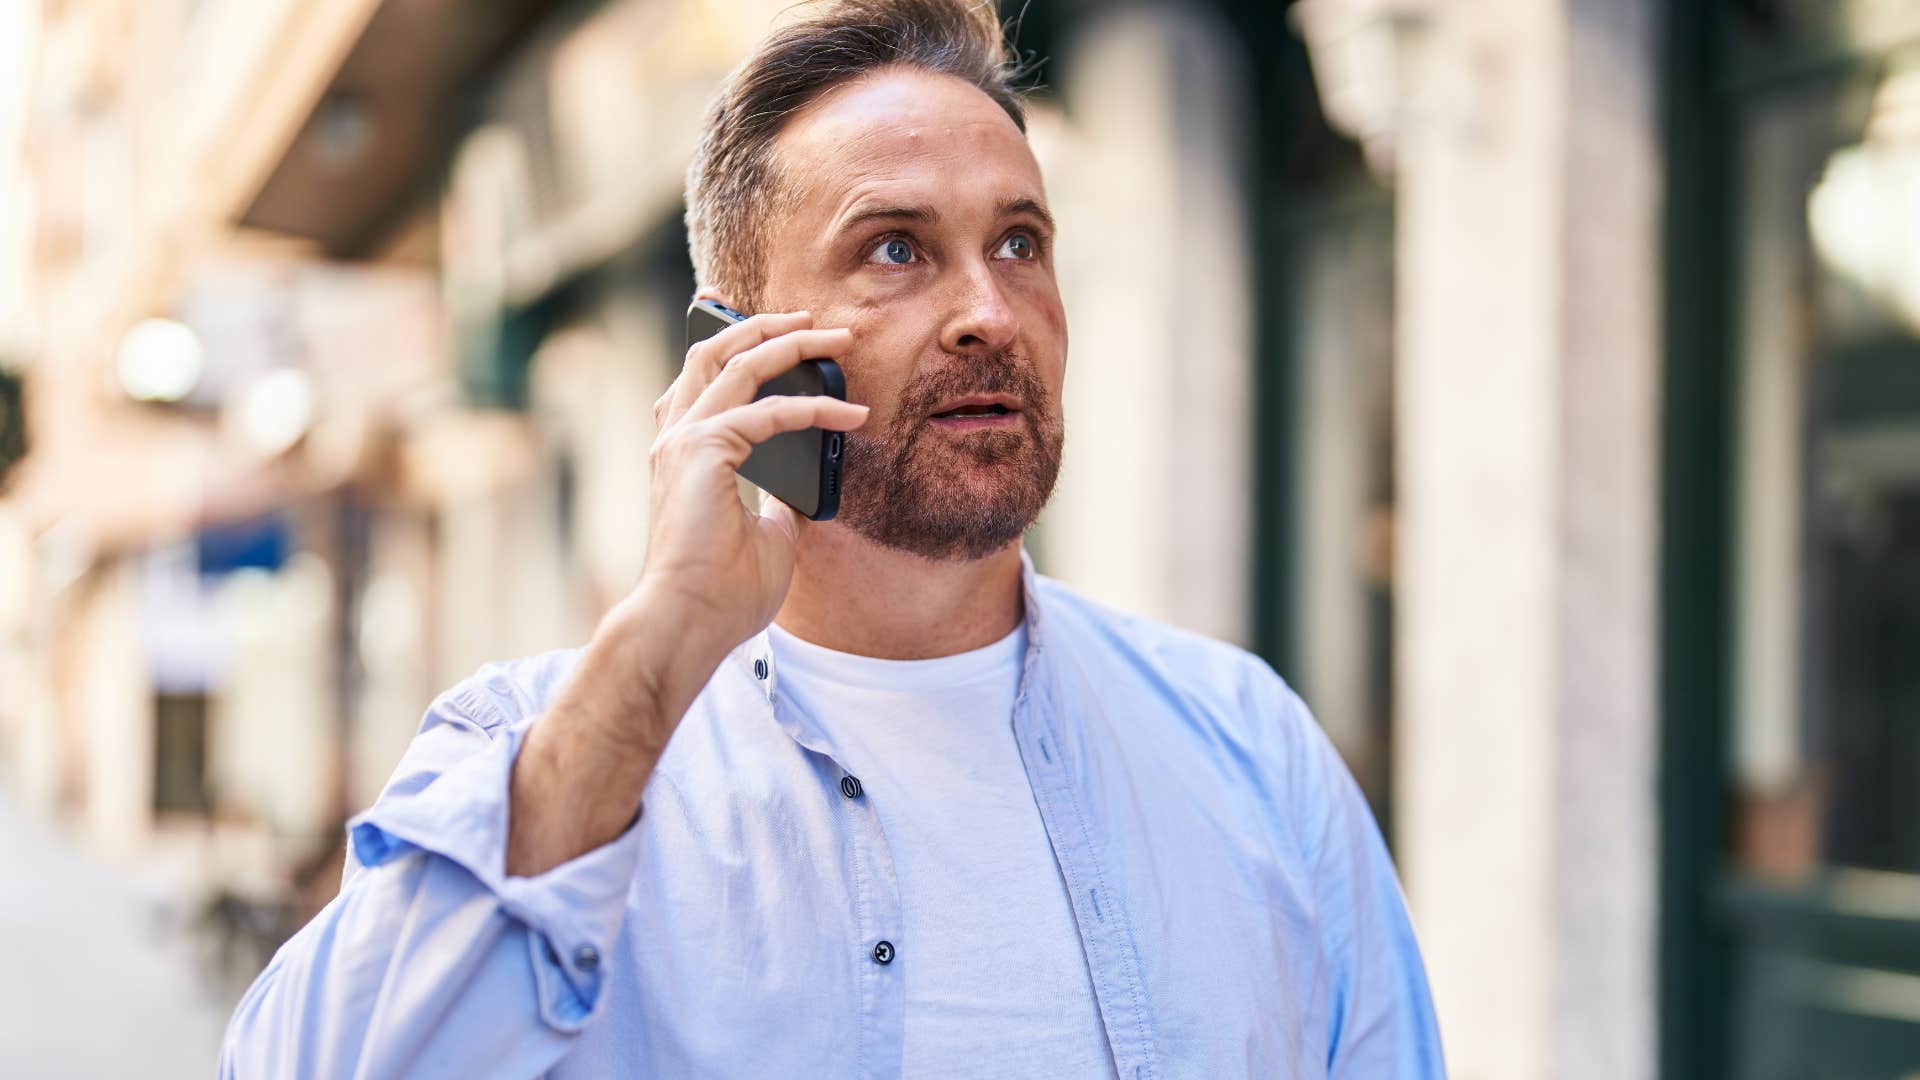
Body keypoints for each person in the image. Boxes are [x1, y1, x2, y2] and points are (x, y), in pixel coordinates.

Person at [220, 0, 1444, 1075]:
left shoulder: (1249, 747)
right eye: (896, 249)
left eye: (1020, 243)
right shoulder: (543, 755)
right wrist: (652, 656)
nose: (986, 312)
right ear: (743, 350)